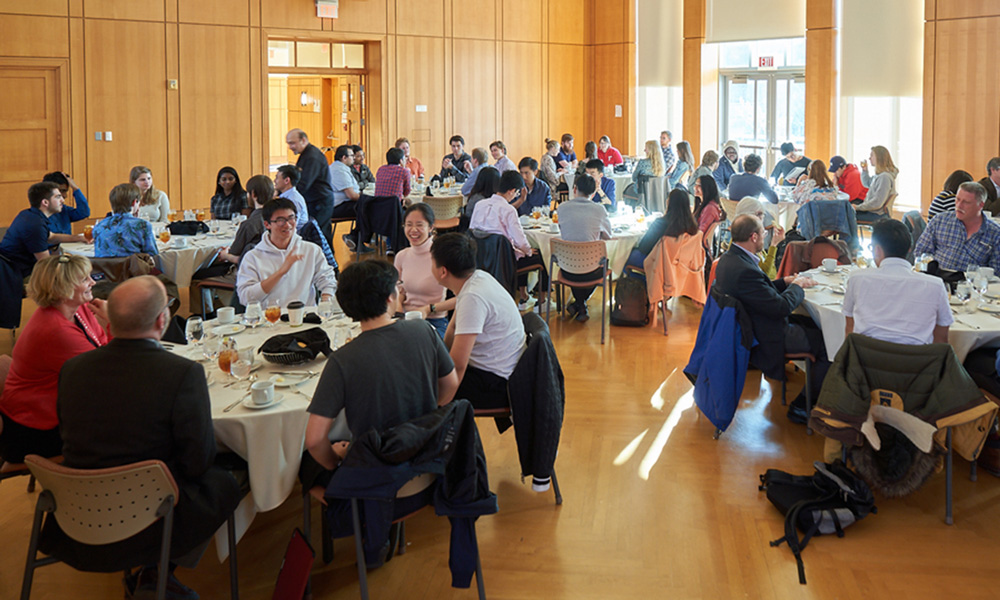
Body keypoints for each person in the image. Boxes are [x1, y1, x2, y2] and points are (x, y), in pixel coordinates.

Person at [49, 275, 241, 598]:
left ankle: (154, 572)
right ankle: (159, 569)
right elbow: (197, 463)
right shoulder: (182, 374)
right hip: (151, 514)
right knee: (229, 479)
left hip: (78, 513)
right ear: (162, 320)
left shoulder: (73, 370)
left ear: (111, 319)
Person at [303, 259, 458, 487]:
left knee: (307, 464)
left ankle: (349, 515)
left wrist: (337, 463)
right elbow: (451, 384)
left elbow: (315, 440)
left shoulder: (342, 360)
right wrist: (425, 418)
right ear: (389, 297)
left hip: (375, 476)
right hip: (427, 461)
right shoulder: (424, 330)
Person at [0, 254, 109, 465]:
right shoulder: (56, 330)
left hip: (58, 409)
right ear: (63, 288)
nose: (93, 282)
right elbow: (106, 374)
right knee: (129, 429)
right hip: (33, 431)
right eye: (84, 279)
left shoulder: (78, 309)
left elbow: (103, 347)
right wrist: (115, 323)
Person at [713, 214, 828, 413]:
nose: (766, 235)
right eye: (763, 232)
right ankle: (801, 407)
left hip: (756, 323)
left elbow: (758, 291)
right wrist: (798, 286)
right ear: (754, 237)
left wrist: (785, 282)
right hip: (766, 335)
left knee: (816, 325)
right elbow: (781, 307)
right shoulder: (744, 270)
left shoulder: (731, 259)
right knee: (829, 344)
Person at [431, 233, 525, 410]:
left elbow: (458, 366)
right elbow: (451, 331)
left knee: (418, 389)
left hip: (497, 384)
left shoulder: (472, 297)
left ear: (443, 271)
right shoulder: (477, 278)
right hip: (503, 370)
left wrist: (438, 408)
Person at [844, 219, 952, 345]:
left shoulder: (857, 279)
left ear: (877, 250)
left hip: (865, 361)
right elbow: (941, 341)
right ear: (909, 249)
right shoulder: (936, 285)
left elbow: (850, 331)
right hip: (916, 362)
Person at [468, 170, 550, 309]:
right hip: (502, 261)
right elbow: (520, 242)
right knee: (541, 255)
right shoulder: (508, 210)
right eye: (517, 193)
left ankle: (524, 297)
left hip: (479, 259)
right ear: (512, 191)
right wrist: (528, 251)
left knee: (521, 252)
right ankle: (542, 302)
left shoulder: (480, 204)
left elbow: (472, 230)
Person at [236, 198, 337, 307]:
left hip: (305, 319)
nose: (288, 225)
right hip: (270, 319)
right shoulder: (253, 257)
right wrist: (281, 272)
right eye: (280, 220)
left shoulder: (311, 250)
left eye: (291, 218)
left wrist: (325, 300)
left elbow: (328, 280)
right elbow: (245, 298)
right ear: (267, 224)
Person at [557, 174, 613, 322]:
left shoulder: (562, 208)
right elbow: (608, 235)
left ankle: (579, 304)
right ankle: (580, 305)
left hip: (567, 268)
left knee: (578, 261)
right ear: (593, 193)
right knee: (600, 263)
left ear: (574, 189)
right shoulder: (599, 210)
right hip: (591, 271)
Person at [394, 204, 455, 338]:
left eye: (420, 225)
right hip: (405, 318)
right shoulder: (401, 256)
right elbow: (398, 291)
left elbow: (463, 298)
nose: (413, 230)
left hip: (435, 321)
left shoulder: (442, 255)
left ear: (431, 227)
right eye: (409, 224)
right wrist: (399, 311)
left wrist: (429, 309)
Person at [914, 181, 1000, 272]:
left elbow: (996, 271)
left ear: (981, 205)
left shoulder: (994, 234)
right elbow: (921, 252)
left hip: (970, 283)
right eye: (957, 199)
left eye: (966, 202)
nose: (959, 206)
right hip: (937, 279)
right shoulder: (940, 221)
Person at [0, 183, 70, 278]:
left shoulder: (28, 214)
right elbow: (45, 264)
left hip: (9, 266)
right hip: (15, 273)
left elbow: (51, 237)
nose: (63, 200)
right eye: (58, 197)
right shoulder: (35, 225)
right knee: (69, 274)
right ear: (45, 202)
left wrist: (80, 238)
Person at [625, 188, 697, 272]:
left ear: (669, 202)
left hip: (659, 262)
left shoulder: (660, 223)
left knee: (624, 257)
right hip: (682, 265)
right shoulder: (692, 225)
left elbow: (643, 247)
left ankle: (644, 282)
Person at [286, 128, 335, 244]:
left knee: (318, 236)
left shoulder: (312, 157)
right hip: (316, 201)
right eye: (289, 143)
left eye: (292, 143)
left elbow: (303, 184)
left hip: (319, 202)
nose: (290, 147)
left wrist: (284, 193)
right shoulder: (307, 154)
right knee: (322, 235)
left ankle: (325, 261)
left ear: (303, 140)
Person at [218, 175, 274, 265]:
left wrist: (225, 255)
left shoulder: (249, 224)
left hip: (250, 272)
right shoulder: (278, 219)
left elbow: (235, 253)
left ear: (253, 194)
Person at [92, 183, 158, 258]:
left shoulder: (100, 225)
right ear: (134, 202)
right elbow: (153, 256)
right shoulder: (142, 225)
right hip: (132, 269)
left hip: (105, 269)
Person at [728, 197, 784, 279]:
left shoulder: (746, 237)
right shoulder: (745, 241)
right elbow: (764, 273)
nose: (762, 220)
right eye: (761, 215)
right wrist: (774, 244)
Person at [855, 145, 898, 222]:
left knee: (846, 215)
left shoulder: (884, 177)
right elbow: (867, 183)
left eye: (872, 155)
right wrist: (865, 171)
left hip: (876, 214)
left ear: (879, 158)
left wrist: (858, 207)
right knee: (847, 212)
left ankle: (848, 234)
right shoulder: (879, 175)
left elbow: (877, 203)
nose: (869, 158)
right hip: (873, 211)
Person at [328, 144, 361, 229]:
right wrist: (367, 198)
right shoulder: (339, 170)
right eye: (352, 156)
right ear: (344, 157)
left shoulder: (340, 167)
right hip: (337, 207)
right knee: (368, 206)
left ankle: (360, 235)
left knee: (367, 204)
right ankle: (357, 236)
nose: (354, 158)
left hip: (343, 203)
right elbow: (352, 195)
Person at [274, 164, 309, 231]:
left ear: (287, 180)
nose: (274, 181)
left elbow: (292, 225)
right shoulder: (288, 196)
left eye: (277, 178)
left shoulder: (293, 199)